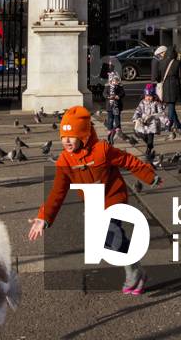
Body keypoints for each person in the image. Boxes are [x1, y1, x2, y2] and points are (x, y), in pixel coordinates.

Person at [27, 106, 158, 295]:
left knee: (110, 234)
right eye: (63, 137)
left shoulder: (102, 150)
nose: (67, 141)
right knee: (105, 242)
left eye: (71, 137)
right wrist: (44, 216)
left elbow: (127, 160)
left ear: (84, 136)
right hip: (94, 202)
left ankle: (134, 272)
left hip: (113, 197)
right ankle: (135, 268)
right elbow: (58, 191)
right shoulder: (65, 160)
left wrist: (148, 175)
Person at [132, 84, 169, 160]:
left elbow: (161, 113)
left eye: (150, 96)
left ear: (153, 96)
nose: (148, 98)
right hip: (144, 123)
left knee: (150, 139)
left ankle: (148, 151)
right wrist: (136, 118)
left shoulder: (156, 104)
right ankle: (149, 145)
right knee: (141, 134)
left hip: (153, 124)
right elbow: (137, 111)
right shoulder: (142, 103)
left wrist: (166, 121)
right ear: (144, 95)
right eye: (147, 96)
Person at [153, 45, 181, 131]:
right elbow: (180, 75)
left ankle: (178, 125)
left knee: (171, 106)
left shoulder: (161, 62)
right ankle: (169, 124)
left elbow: (157, 76)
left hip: (165, 86)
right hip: (174, 86)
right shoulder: (177, 63)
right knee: (171, 106)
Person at [105, 66, 124, 143]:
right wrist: (108, 96)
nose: (115, 82)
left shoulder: (119, 87)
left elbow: (123, 93)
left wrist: (118, 96)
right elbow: (104, 93)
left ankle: (118, 128)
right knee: (110, 118)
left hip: (117, 106)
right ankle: (110, 129)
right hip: (110, 106)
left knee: (117, 117)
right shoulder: (108, 87)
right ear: (111, 81)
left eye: (116, 81)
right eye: (113, 81)